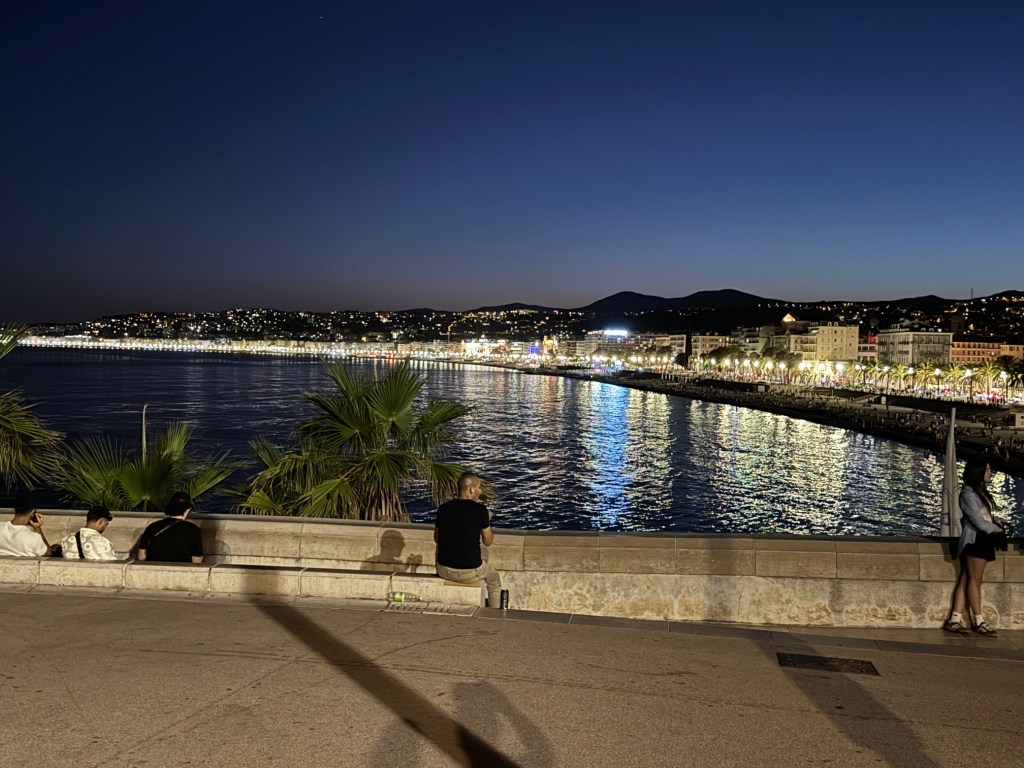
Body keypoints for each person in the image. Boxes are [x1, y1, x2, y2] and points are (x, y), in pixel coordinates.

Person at [945, 458, 1007, 636]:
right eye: (987, 469)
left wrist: (995, 521)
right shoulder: (968, 494)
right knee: (975, 581)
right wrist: (996, 529)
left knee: (966, 579)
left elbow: (982, 517)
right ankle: (979, 621)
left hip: (981, 539)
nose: (990, 472)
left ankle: (955, 619)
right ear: (978, 473)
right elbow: (977, 521)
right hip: (976, 541)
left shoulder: (978, 492)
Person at [433, 472, 502, 607]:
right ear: (471, 489)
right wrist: (486, 520)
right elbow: (488, 542)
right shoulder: (480, 510)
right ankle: (494, 613)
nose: (480, 491)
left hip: (443, 570)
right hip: (469, 571)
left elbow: (437, 538)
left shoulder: (443, 509)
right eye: (478, 487)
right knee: (494, 579)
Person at [137, 492, 203, 563]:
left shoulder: (152, 527)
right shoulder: (194, 530)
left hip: (154, 568)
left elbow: (141, 556)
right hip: (181, 569)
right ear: (188, 509)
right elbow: (197, 561)